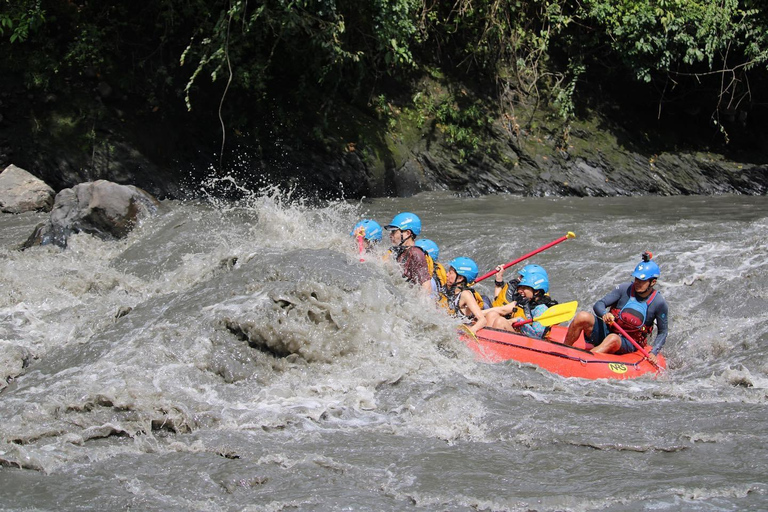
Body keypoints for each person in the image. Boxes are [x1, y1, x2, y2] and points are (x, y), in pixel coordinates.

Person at [563, 253, 669, 365]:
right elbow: (599, 304)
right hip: (609, 331)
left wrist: (654, 352)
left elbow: (663, 332)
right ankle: (564, 351)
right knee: (582, 316)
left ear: (653, 282)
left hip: (629, 343)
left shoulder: (659, 303)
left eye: (642, 281)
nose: (637, 283)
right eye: (636, 278)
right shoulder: (624, 289)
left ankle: (584, 362)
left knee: (613, 338)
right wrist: (604, 313)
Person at [483, 271, 555, 339]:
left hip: (528, 343)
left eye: (524, 288)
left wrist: (518, 320)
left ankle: (489, 346)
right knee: (491, 314)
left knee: (500, 321)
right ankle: (484, 342)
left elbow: (537, 336)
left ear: (536, 291)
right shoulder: (522, 301)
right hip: (518, 335)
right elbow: (501, 308)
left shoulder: (541, 309)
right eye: (520, 288)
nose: (520, 291)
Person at [384, 212, 432, 293]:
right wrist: (360, 240)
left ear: (408, 233)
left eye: (394, 232)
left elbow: (426, 287)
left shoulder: (415, 253)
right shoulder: (398, 252)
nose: (390, 235)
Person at [444, 257, 487, 334]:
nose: (446, 275)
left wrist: (472, 331)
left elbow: (482, 320)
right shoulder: (447, 290)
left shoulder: (465, 294)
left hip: (463, 329)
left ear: (460, 278)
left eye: (450, 273)